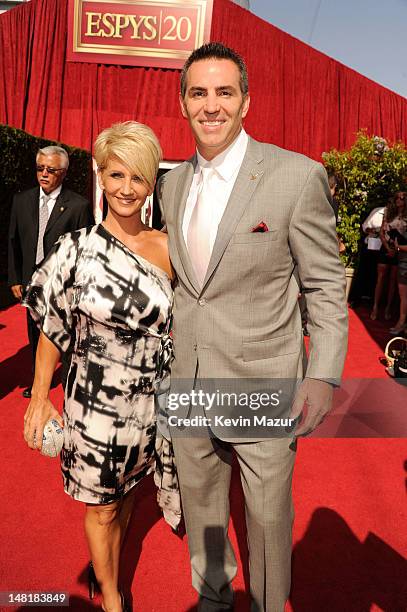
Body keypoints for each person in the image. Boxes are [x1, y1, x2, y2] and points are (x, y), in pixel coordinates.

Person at [158, 42, 348, 611]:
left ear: (246, 102)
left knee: (267, 522)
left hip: (264, 384)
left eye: (224, 92)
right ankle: (212, 600)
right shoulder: (171, 185)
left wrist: (323, 377)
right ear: (184, 104)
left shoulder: (295, 176)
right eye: (198, 93)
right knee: (204, 513)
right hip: (189, 381)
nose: (210, 105)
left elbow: (325, 287)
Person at [23, 122, 179, 612]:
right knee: (103, 504)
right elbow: (52, 329)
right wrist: (38, 396)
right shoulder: (76, 249)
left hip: (151, 398)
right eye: (116, 175)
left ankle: (107, 560)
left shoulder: (169, 250)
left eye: (138, 178)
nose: (126, 189)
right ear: (101, 176)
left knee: (129, 491)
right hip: (94, 400)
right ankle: (111, 594)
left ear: (150, 182)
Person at [8, 145, 94, 397]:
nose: (44, 174)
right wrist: (15, 278)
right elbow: (13, 242)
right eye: (39, 168)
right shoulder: (21, 201)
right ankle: (38, 384)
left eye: (51, 169)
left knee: (65, 335)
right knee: (35, 335)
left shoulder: (79, 206)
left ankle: (69, 381)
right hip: (30, 283)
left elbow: (85, 250)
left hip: (62, 285)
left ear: (64, 173)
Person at [371, 191, 406, 322]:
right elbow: (381, 232)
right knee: (380, 278)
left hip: (399, 250)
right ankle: (375, 307)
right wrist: (387, 247)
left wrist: (396, 250)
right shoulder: (388, 212)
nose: (399, 200)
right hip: (386, 247)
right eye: (397, 197)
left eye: (402, 198)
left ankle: (387, 308)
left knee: (393, 281)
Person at [391, 191, 407, 334]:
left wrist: (398, 246)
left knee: (404, 296)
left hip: (404, 261)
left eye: (402, 199)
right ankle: (401, 323)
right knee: (403, 295)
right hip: (402, 261)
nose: (398, 200)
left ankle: (401, 324)